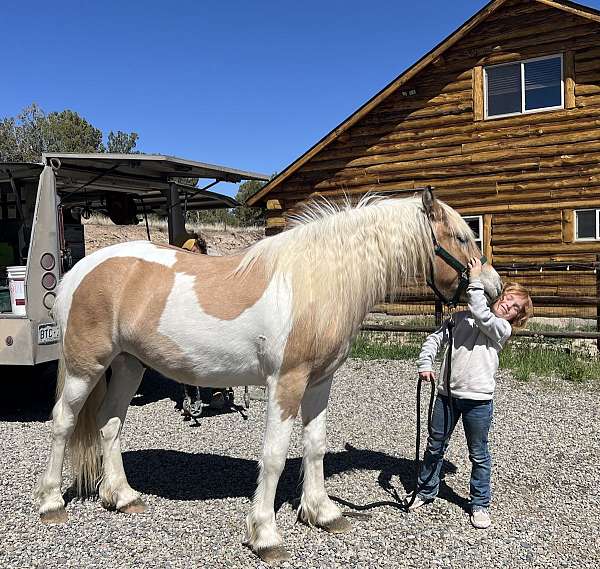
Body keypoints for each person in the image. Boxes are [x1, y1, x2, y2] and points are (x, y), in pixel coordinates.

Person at [405, 258, 533, 529]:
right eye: (508, 298)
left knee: (478, 454)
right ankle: (426, 490)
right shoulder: (459, 318)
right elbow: (434, 339)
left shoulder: (500, 329)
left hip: (479, 401)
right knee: (435, 445)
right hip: (446, 396)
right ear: (500, 295)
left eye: (514, 308)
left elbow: (481, 314)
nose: (508, 305)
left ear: (515, 318)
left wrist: (475, 277)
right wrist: (426, 362)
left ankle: (479, 503)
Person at [179, 233, 232, 417]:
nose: (190, 256)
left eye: (193, 252)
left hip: (212, 321)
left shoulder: (213, 269)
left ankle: (219, 391)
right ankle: (191, 396)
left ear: (201, 251)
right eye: (186, 253)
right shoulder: (183, 273)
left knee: (217, 353)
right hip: (192, 322)